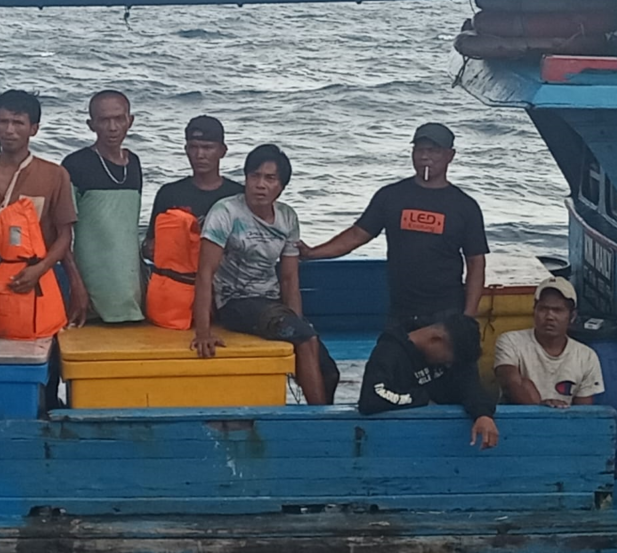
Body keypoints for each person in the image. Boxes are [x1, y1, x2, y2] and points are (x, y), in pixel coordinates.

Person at [192, 144, 340, 405]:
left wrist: (298, 321)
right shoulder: (225, 212)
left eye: (270, 178)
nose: (260, 184)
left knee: (329, 372)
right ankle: (322, 422)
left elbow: (289, 279)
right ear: (246, 179)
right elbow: (205, 274)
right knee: (306, 339)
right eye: (254, 176)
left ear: (281, 186)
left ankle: (319, 426)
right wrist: (203, 332)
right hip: (235, 303)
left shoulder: (287, 218)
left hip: (271, 303)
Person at [301, 123, 488, 326]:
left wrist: (468, 317)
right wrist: (312, 253)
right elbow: (356, 235)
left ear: (450, 155)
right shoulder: (391, 196)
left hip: (447, 312)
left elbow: (476, 263)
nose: (425, 157)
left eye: (433, 150)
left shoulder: (465, 206)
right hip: (401, 312)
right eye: (419, 150)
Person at [0, 90, 78, 327]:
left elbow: (64, 235)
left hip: (26, 286)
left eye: (18, 123)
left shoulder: (54, 175)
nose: (9, 130)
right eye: (3, 122)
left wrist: (39, 270)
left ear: (34, 129)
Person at [359, 312, 499, 449]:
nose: (449, 364)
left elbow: (470, 386)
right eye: (449, 358)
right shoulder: (389, 352)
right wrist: (423, 397)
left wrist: (483, 415)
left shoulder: (455, 356)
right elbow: (371, 398)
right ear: (436, 339)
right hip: (392, 442)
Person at [62, 90, 143, 323]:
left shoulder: (134, 163)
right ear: (91, 124)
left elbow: (127, 226)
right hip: (91, 284)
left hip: (130, 287)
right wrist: (76, 285)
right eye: (104, 120)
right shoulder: (75, 165)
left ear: (130, 121)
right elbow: (62, 233)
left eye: (119, 119)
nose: (113, 127)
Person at [143, 115, 243, 260]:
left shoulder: (238, 195)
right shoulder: (169, 193)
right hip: (180, 278)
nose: (199, 155)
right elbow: (150, 244)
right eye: (193, 147)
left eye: (207, 147)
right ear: (186, 149)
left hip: (226, 278)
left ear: (222, 151)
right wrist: (149, 249)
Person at [495, 276, 604, 408]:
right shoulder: (510, 341)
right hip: (518, 422)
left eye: (558, 310)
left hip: (564, 425)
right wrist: (542, 411)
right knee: (526, 384)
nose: (549, 316)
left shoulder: (587, 356)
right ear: (534, 311)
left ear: (572, 316)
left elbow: (583, 412)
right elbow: (510, 382)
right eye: (543, 309)